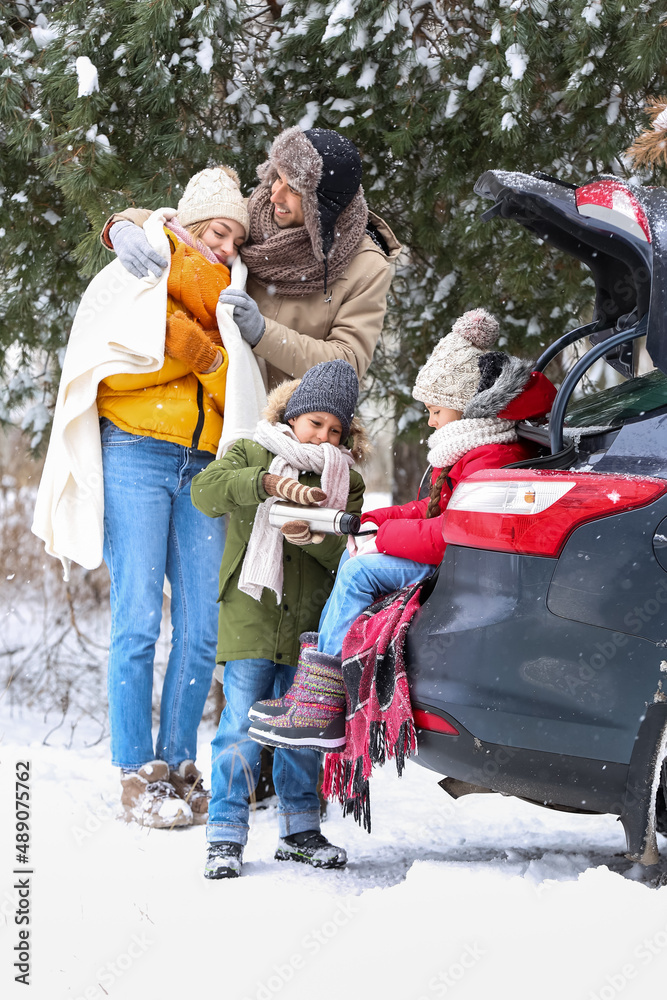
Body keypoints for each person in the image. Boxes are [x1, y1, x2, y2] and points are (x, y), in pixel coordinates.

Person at [34, 165, 257, 829]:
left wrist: (212, 357)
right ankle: (136, 772)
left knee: (201, 628)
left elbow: (233, 386)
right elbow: (117, 355)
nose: (226, 247)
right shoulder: (145, 262)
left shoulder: (233, 292)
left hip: (202, 464)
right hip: (135, 448)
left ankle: (176, 765)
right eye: (218, 231)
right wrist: (181, 345)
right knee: (135, 617)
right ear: (189, 222)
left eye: (236, 238)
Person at [246, 308, 557, 752]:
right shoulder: (475, 449)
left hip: (465, 569)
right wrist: (379, 520)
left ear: (466, 406)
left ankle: (323, 704)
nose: (430, 421)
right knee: (359, 564)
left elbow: (451, 531)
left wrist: (382, 539)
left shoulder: (490, 457)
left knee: (358, 572)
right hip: (455, 559)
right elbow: (432, 511)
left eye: (435, 410)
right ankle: (314, 694)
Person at [190, 360, 367, 878]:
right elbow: (206, 493)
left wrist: (314, 540)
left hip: (311, 622)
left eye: (336, 430)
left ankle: (299, 830)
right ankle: (225, 834)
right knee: (241, 725)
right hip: (251, 614)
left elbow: (346, 557)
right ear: (291, 415)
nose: (325, 436)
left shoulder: (345, 479)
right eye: (316, 423)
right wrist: (264, 482)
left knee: (303, 727)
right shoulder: (252, 448)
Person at [100, 127, 401, 388]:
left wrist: (263, 333)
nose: (274, 195)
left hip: (289, 429)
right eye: (278, 178)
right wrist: (125, 225)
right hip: (219, 408)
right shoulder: (250, 217)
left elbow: (346, 364)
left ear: (323, 206)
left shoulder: (365, 265)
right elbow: (185, 225)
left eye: (293, 189)